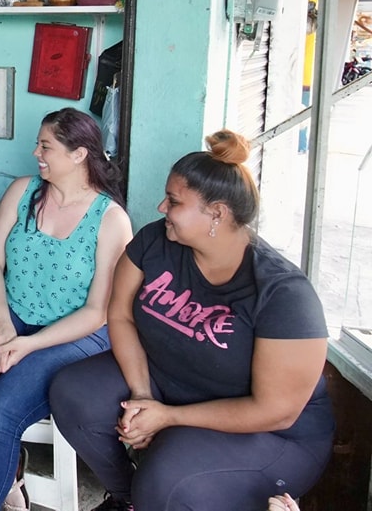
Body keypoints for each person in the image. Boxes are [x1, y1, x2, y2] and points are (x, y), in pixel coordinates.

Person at [49, 129, 335, 511]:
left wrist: (167, 417)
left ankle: (151, 495)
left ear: (217, 213)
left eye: (173, 201)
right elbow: (119, 314)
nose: (160, 207)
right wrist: (143, 396)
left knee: (167, 477)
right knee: (74, 393)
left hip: (271, 435)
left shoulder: (283, 295)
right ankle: (129, 499)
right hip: (168, 385)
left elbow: (276, 411)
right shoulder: (155, 241)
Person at [0, 108, 133, 511]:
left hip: (73, 331)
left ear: (79, 154)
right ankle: (6, 465)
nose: (36, 153)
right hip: (12, 309)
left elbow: (97, 312)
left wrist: (27, 345)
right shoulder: (23, 192)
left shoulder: (110, 219)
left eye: (46, 146)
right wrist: (1, 321)